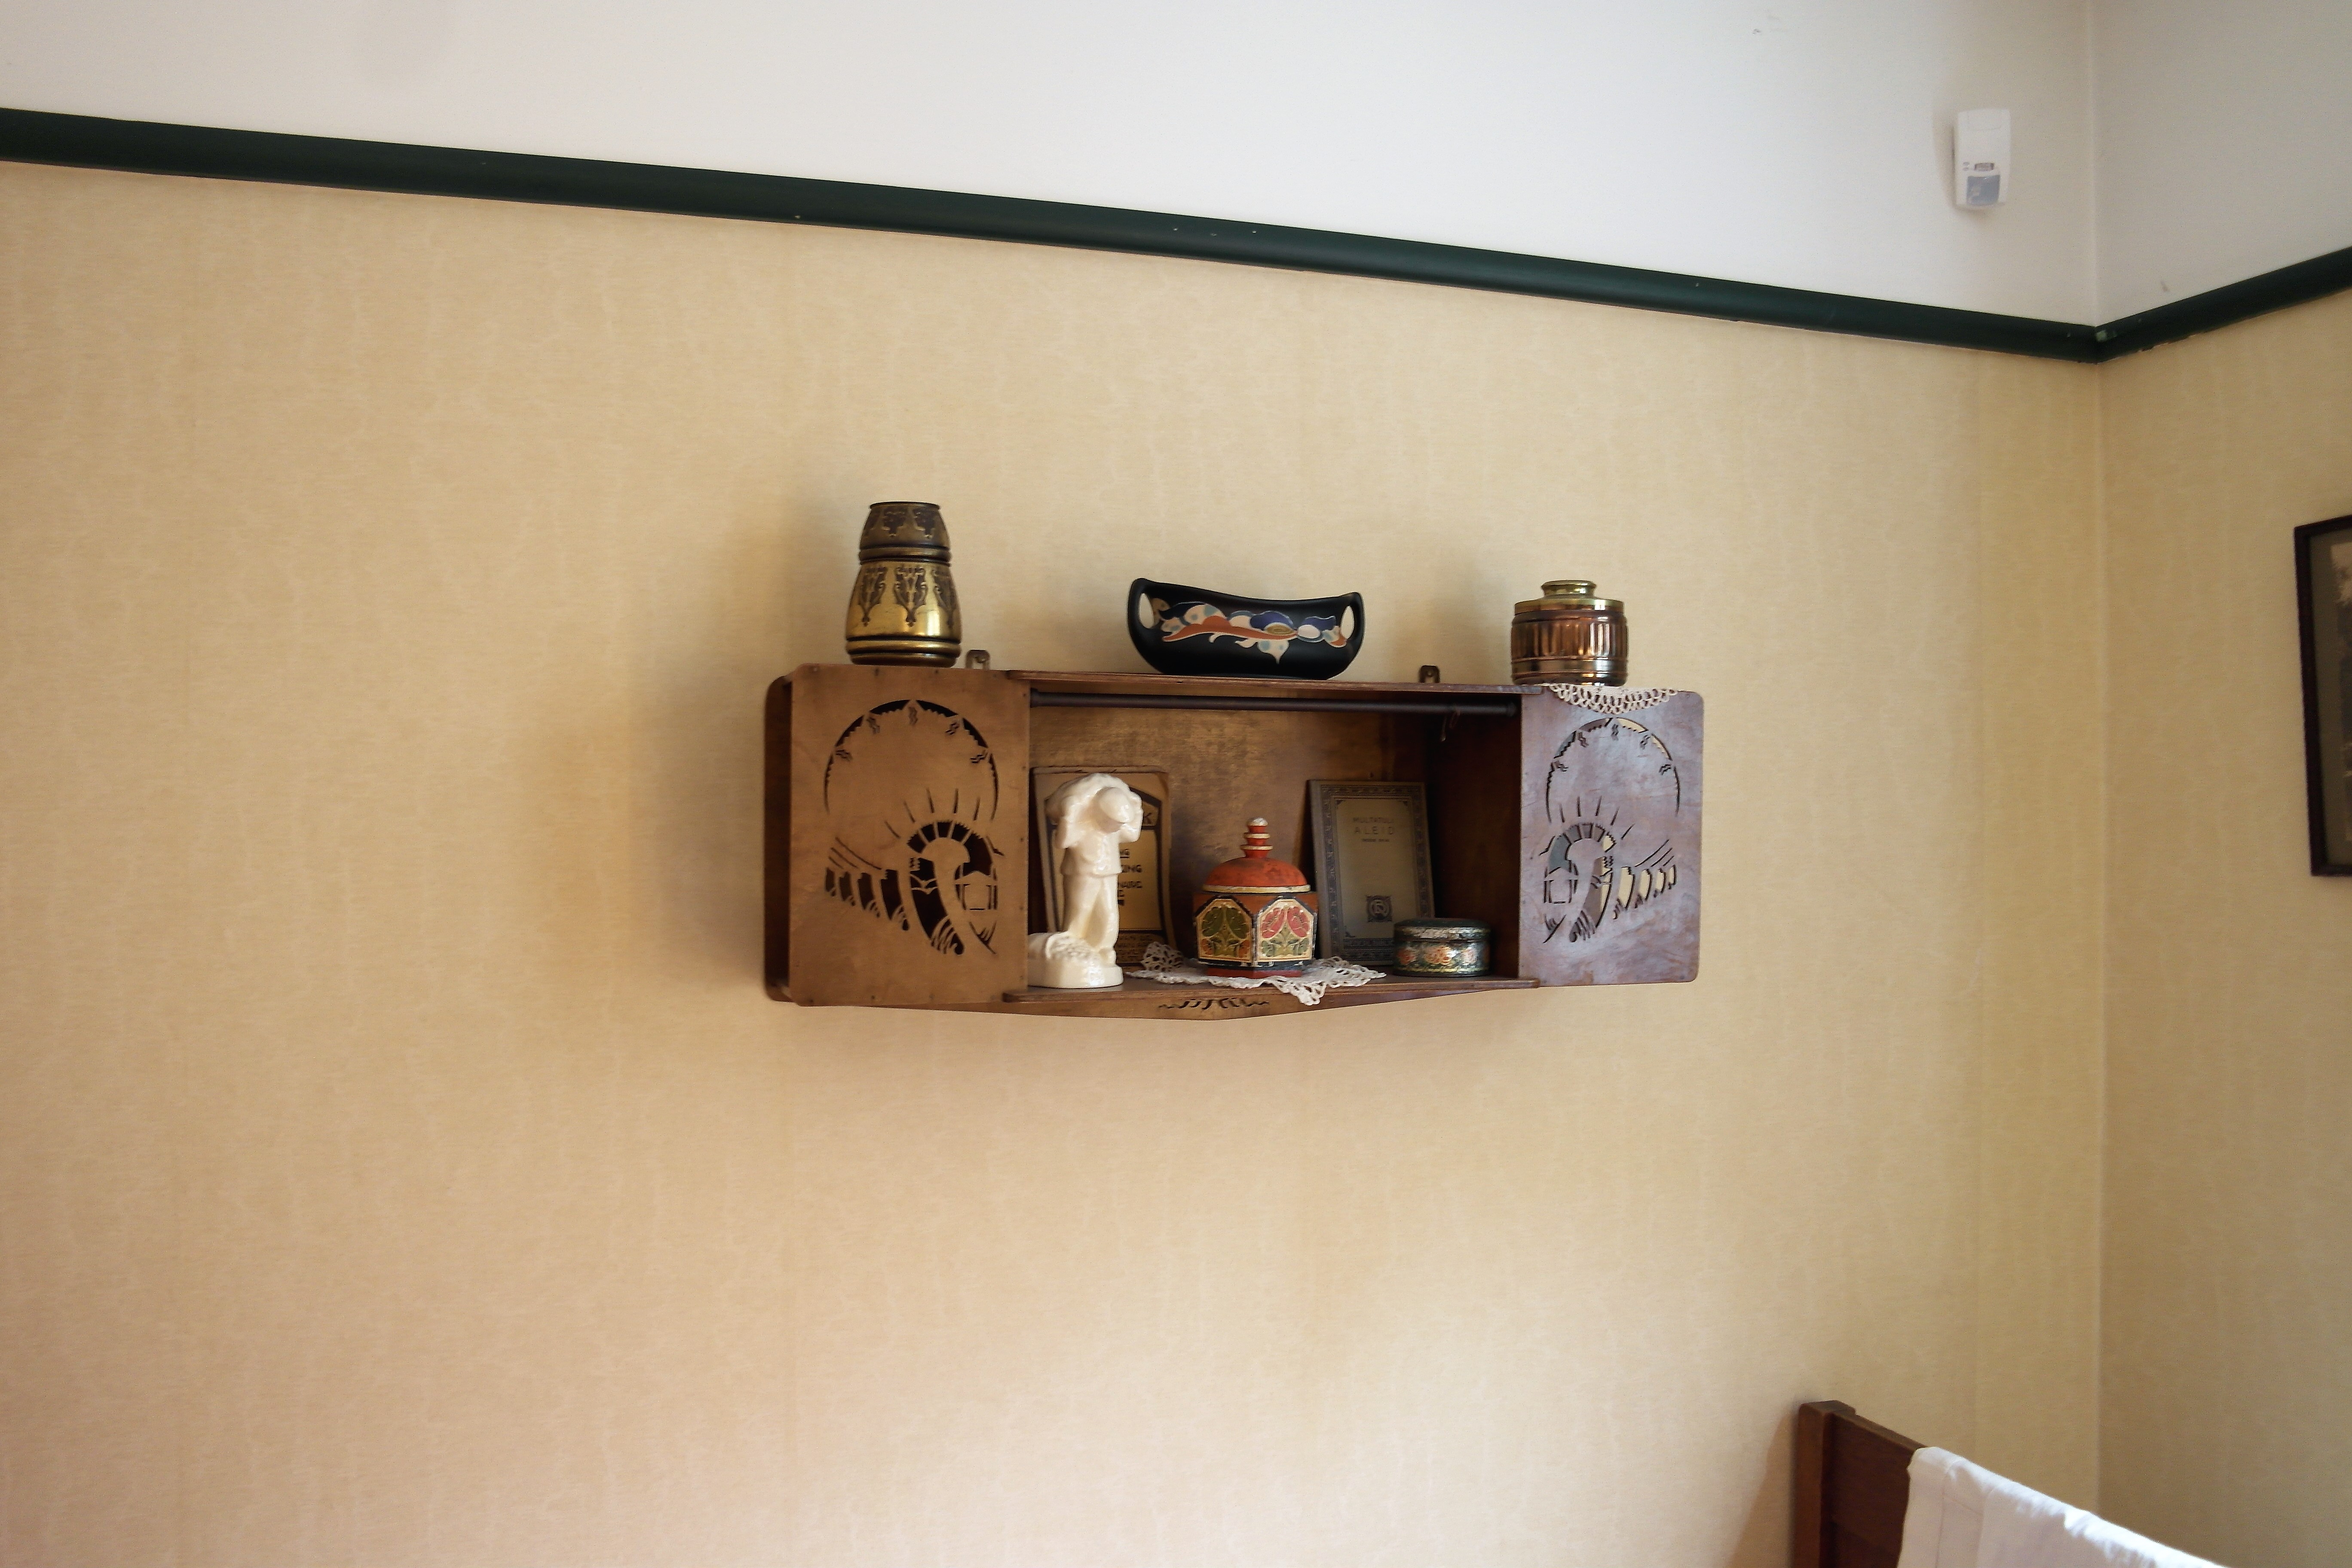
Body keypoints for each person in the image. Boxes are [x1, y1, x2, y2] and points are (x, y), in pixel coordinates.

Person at [1026, 774, 1142, 987]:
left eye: (1119, 823)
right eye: (1113, 822)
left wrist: (1138, 811)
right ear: (1100, 813)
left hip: (1108, 873)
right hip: (1082, 873)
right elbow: (1063, 842)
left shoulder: (1113, 830)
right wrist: (1069, 817)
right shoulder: (1084, 825)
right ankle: (1074, 943)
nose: (1117, 827)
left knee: (1109, 913)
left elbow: (1133, 835)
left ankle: (1103, 949)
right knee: (1080, 910)